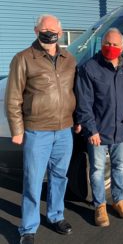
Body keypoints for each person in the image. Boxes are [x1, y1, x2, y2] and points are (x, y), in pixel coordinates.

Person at [5, 15, 76, 244]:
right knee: (33, 180)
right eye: (45, 28)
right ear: (36, 30)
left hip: (64, 129)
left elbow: (75, 92)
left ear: (60, 31)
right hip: (37, 130)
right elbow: (13, 97)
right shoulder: (23, 58)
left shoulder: (69, 59)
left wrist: (77, 118)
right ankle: (28, 227)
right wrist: (17, 129)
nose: (49, 32)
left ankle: (56, 216)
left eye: (53, 29)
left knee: (59, 176)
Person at [75, 28, 123, 227]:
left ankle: (119, 200)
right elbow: (84, 103)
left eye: (115, 45)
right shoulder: (89, 68)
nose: (111, 48)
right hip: (98, 131)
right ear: (102, 43)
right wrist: (91, 129)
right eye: (108, 43)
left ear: (122, 47)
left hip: (121, 130)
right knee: (97, 169)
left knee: (119, 168)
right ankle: (100, 206)